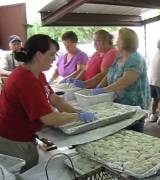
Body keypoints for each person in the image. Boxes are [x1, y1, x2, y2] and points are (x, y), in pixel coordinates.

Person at [0, 34, 96, 172]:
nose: (54, 59)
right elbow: (49, 118)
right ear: (39, 55)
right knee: (24, 172)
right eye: (51, 55)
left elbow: (54, 99)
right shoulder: (26, 80)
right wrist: (78, 117)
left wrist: (77, 111)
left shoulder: (38, 74)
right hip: (14, 140)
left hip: (22, 135)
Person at [91, 28, 150, 132]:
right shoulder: (119, 58)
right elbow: (109, 74)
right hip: (118, 106)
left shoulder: (135, 59)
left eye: (118, 39)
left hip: (134, 108)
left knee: (133, 134)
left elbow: (125, 81)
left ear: (126, 41)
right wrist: (99, 87)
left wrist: (105, 90)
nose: (116, 41)